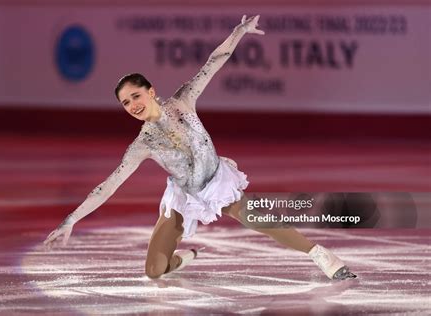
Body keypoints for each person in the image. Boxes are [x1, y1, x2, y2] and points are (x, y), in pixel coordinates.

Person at [44, 15, 356, 281]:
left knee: (260, 220)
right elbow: (107, 187)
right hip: (184, 195)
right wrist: (71, 219)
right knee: (154, 271)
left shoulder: (183, 101)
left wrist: (238, 32)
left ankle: (321, 256)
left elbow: (214, 62)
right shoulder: (142, 144)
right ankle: (184, 258)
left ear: (151, 91)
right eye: (125, 103)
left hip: (215, 180)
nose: (133, 105)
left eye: (136, 96)